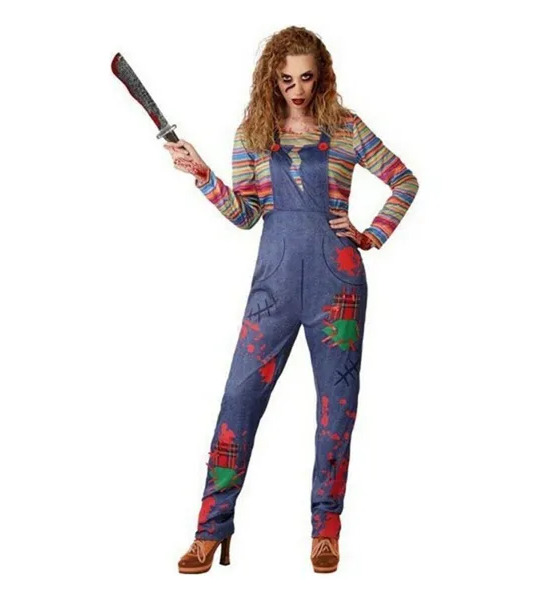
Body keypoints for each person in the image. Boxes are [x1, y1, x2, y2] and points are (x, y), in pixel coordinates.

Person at [165, 25, 419, 574]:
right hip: (273, 285)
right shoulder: (253, 133)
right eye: (286, 80)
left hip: (338, 284)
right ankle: (211, 528)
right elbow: (245, 216)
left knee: (336, 409)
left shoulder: (347, 127)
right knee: (239, 399)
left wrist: (370, 234)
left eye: (306, 78)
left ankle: (326, 529)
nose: (297, 89)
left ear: (321, 75)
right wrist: (204, 175)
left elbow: (404, 181)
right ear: (271, 80)